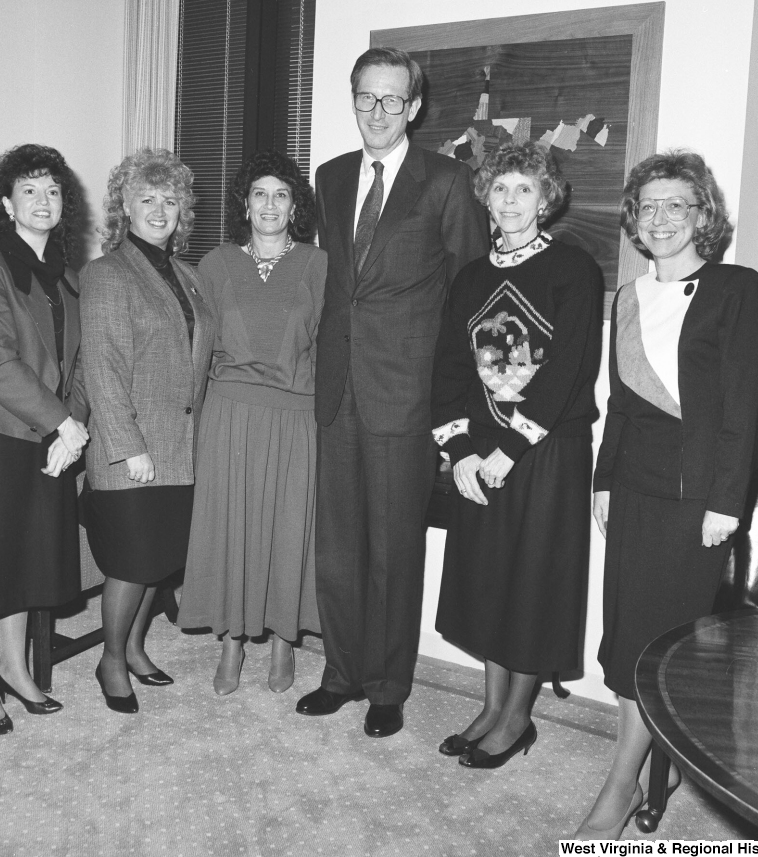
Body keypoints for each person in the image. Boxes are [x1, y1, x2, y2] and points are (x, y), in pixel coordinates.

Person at [296, 46, 489, 738]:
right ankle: (341, 673)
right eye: (364, 98)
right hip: (338, 386)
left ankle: (387, 684)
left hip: (406, 393)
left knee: (394, 547)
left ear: (413, 107)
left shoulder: (447, 181)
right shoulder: (331, 175)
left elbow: (472, 295)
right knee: (339, 546)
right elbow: (339, 285)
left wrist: (455, 404)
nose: (376, 113)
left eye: (390, 100)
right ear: (353, 101)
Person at [575, 150, 758, 839]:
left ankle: (621, 784)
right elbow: (620, 404)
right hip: (633, 489)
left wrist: (726, 501)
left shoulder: (736, 288)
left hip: (695, 500)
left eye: (675, 204)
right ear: (634, 218)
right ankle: (658, 761)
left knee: (658, 641)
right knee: (626, 632)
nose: (660, 217)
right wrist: (603, 478)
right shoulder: (628, 297)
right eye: (647, 205)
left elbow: (743, 406)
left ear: (702, 216)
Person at [431, 141, 603, 768]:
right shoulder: (473, 277)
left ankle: (517, 719)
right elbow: (448, 369)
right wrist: (462, 451)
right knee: (487, 581)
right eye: (500, 188)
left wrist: (509, 449)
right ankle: (491, 704)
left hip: (547, 453)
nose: (510, 201)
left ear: (545, 199)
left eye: (523, 189)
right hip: (482, 453)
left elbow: (570, 370)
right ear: (486, 196)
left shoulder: (573, 269)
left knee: (532, 585)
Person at [178, 150, 325, 695]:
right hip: (230, 414)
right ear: (245, 202)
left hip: (295, 415)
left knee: (289, 528)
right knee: (231, 527)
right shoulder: (215, 265)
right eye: (260, 193)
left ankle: (283, 641)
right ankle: (232, 642)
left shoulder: (318, 264)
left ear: (295, 207)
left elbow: (331, 345)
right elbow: (197, 347)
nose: (270, 204)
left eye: (281, 195)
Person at [0, 143, 90, 734]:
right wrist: (64, 422)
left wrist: (73, 428)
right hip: (0, 432)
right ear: (7, 203)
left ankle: (13, 665)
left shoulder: (72, 278)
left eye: (53, 190)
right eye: (29, 190)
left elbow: (82, 366)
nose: (43, 201)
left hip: (55, 438)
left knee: (28, 557)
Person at [79, 148, 215, 714]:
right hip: (130, 451)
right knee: (131, 565)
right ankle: (110, 660)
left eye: (170, 200)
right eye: (146, 199)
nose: (159, 210)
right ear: (124, 209)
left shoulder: (188, 275)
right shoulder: (106, 273)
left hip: (181, 448)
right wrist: (128, 446)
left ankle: (135, 648)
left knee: (159, 561)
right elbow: (102, 368)